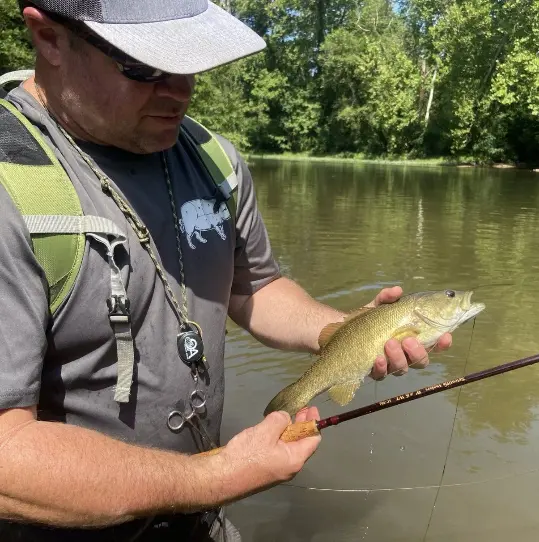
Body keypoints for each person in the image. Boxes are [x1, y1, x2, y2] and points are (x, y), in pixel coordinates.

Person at [0, 1, 452, 540]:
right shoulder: (12, 187)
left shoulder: (212, 160)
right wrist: (216, 475)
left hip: (199, 519)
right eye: (144, 66)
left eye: (191, 62)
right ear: (49, 38)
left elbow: (255, 285)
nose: (179, 90)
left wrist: (344, 334)